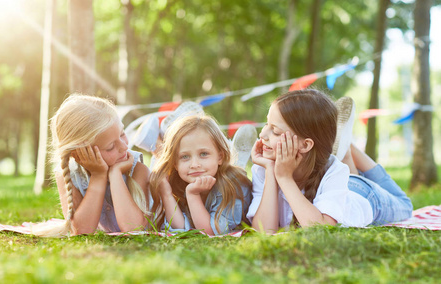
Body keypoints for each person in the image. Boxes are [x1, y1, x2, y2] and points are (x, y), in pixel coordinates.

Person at [246, 89, 413, 233]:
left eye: (275, 131)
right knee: (347, 175)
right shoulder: (263, 169)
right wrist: (271, 172)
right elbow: (264, 230)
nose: (262, 135)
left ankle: (347, 147)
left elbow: (320, 229)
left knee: (405, 205)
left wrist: (284, 177)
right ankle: (345, 149)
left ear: (305, 145)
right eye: (266, 124)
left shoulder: (334, 171)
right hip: (340, 188)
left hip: (364, 195)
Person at [32, 94, 151, 237]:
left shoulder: (136, 167)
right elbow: (81, 231)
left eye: (122, 134)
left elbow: (134, 228)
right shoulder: (68, 174)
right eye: (110, 147)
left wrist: (115, 175)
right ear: (79, 154)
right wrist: (98, 176)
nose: (124, 146)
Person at [149, 115, 252, 235]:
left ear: (220, 157)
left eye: (203, 154)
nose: (194, 164)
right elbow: (180, 228)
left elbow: (211, 232)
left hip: (231, 190)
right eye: (185, 157)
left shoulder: (232, 185)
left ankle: (238, 161)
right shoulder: (179, 183)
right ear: (175, 164)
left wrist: (193, 195)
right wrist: (166, 194)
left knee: (234, 172)